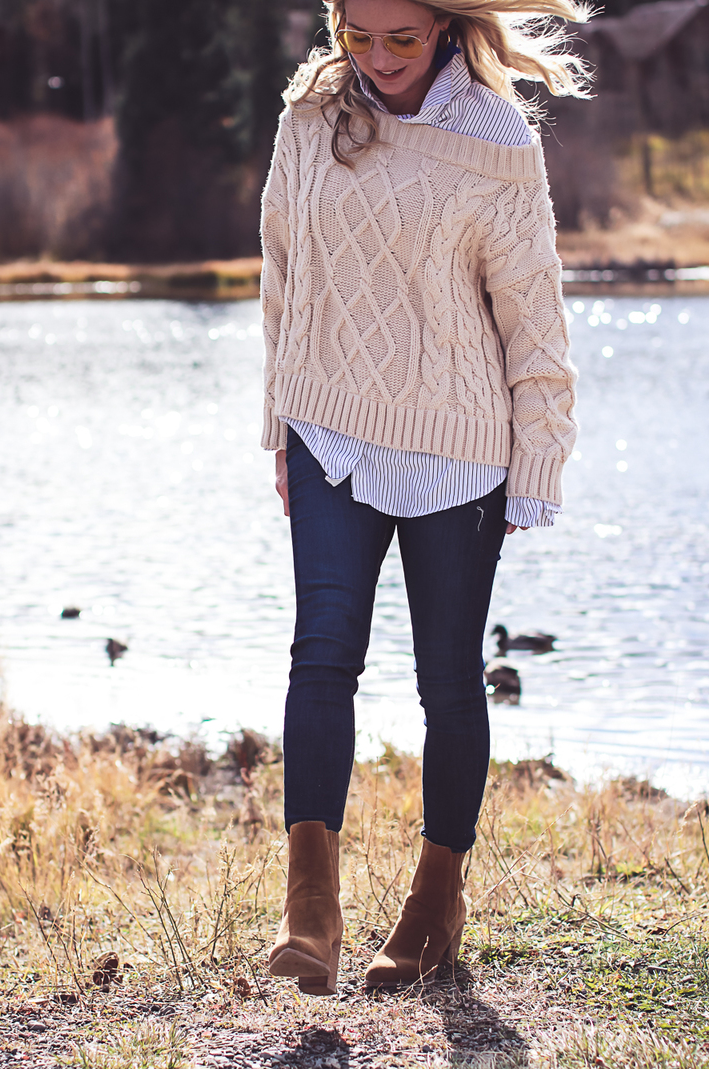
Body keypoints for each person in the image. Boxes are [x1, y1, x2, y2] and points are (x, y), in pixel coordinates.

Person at [261, 0, 586, 994]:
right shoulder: (309, 116)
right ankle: (307, 909)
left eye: (400, 38)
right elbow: (282, 277)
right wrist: (276, 425)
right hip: (328, 432)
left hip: (456, 447)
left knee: (448, 680)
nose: (377, 58)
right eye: (358, 36)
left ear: (445, 27)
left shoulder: (491, 137)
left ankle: (433, 900)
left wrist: (539, 460)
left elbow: (531, 313)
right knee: (321, 654)